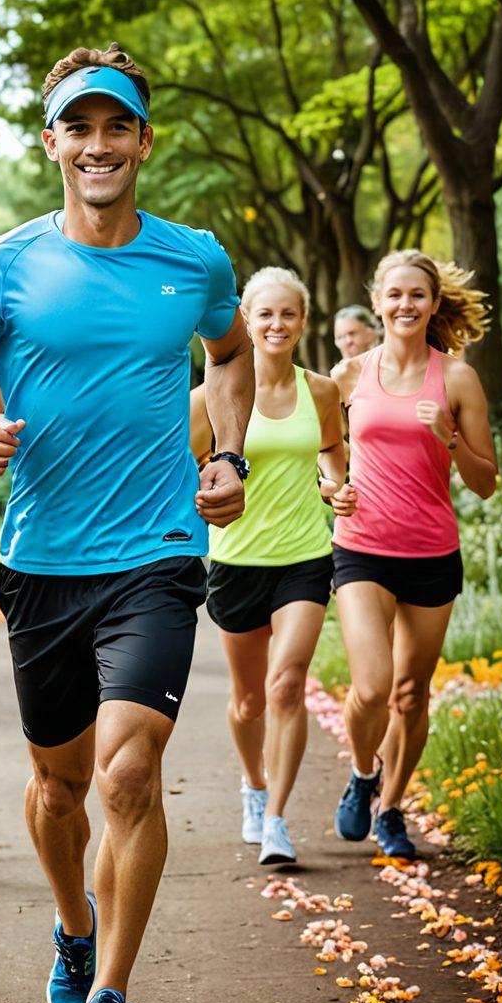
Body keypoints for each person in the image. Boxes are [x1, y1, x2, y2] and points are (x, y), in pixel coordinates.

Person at [0, 44, 253, 1003]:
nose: (98, 145)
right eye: (80, 127)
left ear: (144, 141)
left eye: (117, 126)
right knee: (60, 787)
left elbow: (231, 354)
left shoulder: (195, 259)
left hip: (157, 550)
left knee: (128, 772)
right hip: (41, 561)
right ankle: (73, 926)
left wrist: (230, 454)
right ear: (51, 142)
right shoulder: (1, 267)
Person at [331, 250, 497, 859]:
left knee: (410, 694)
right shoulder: (349, 374)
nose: (406, 304)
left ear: (433, 304)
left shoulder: (457, 378)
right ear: (378, 302)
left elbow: (487, 481)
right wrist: (333, 487)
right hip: (362, 547)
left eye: (417, 295)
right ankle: (363, 773)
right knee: (372, 687)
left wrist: (448, 438)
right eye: (395, 294)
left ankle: (394, 807)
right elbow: (324, 447)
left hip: (431, 551)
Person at [193, 267, 353, 866]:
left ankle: (278, 820)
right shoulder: (210, 398)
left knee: (286, 684)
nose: (276, 324)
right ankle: (253, 787)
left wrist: (333, 483)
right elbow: (180, 467)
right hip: (236, 560)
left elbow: (332, 448)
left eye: (288, 314)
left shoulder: (321, 391)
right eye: (264, 314)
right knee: (247, 701)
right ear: (245, 320)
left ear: (303, 321)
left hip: (304, 557)